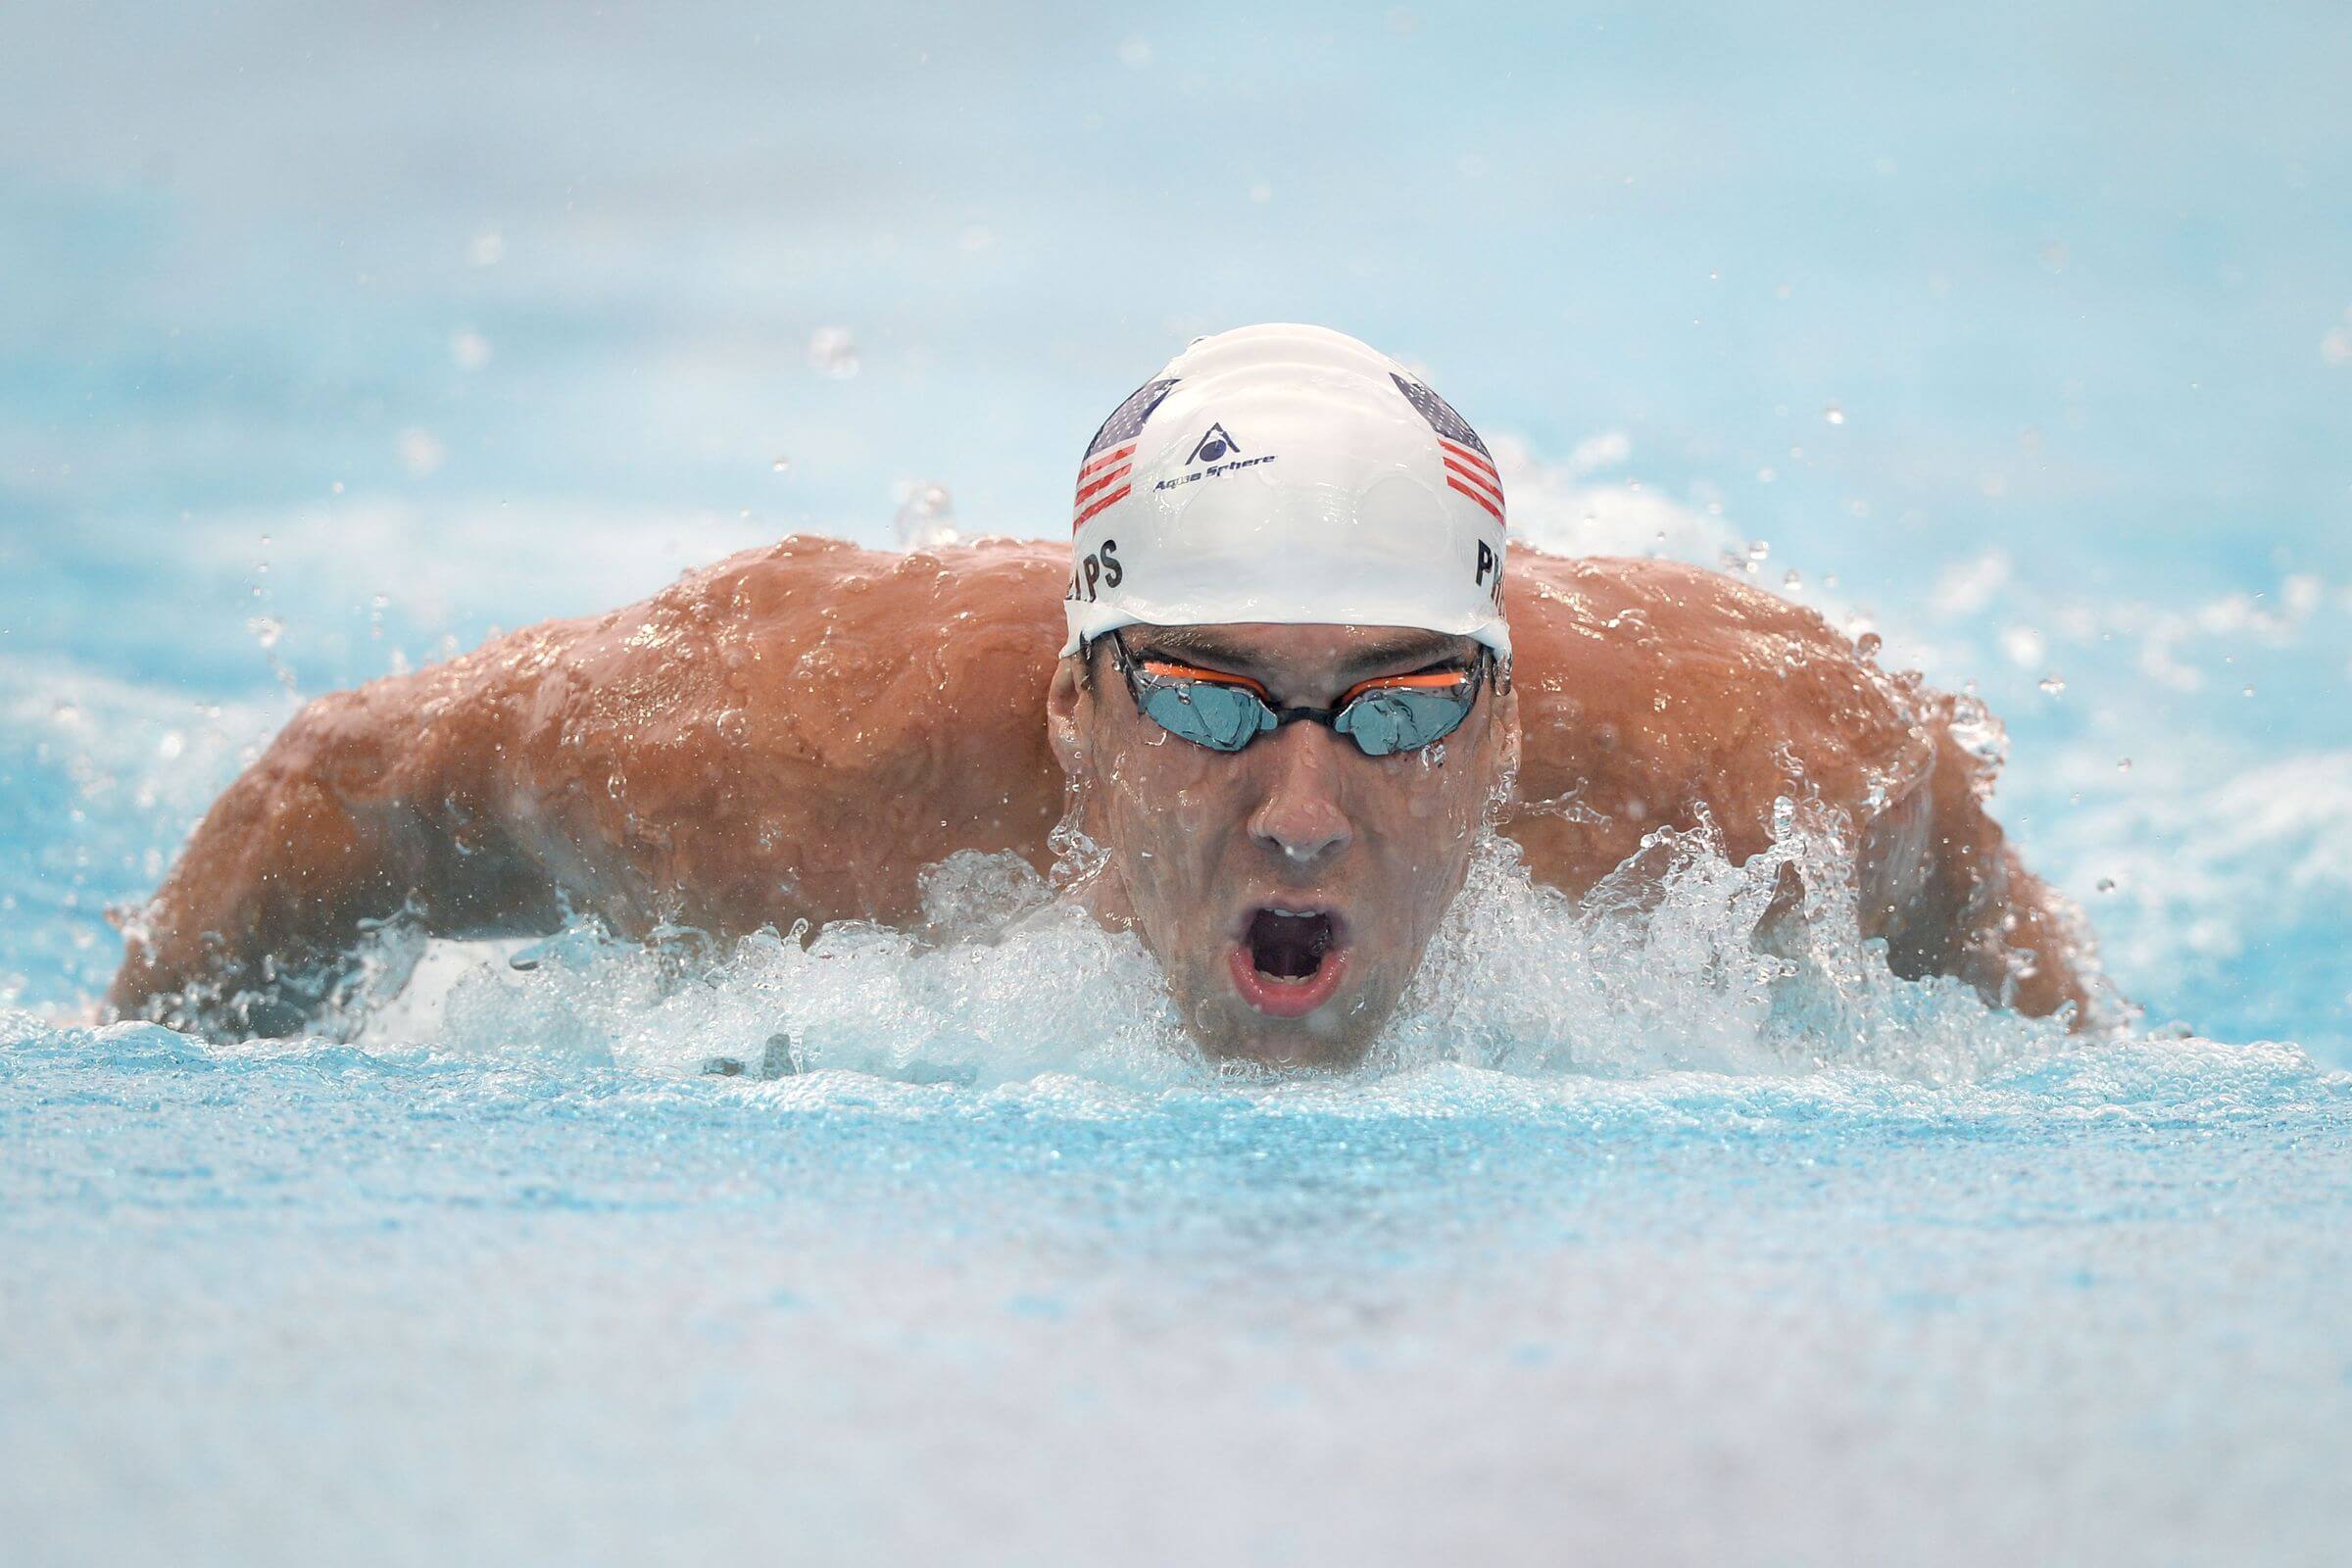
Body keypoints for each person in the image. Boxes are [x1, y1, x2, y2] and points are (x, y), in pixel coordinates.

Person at [106, 323, 2095, 1066]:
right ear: (1071, 707)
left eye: (1395, 709)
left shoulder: (1745, 765)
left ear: (1503, 718)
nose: (1304, 806)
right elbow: (340, 780)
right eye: (1214, 704)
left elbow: (2011, 951)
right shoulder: (789, 766)